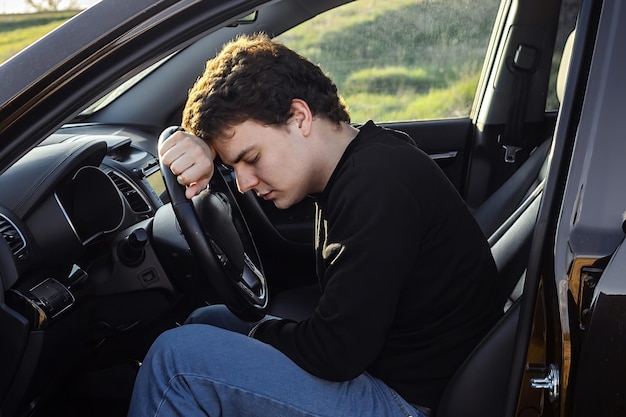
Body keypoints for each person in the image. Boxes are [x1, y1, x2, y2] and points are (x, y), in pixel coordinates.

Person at [127, 33, 505, 417]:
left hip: (407, 402)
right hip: (383, 367)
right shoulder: (369, 158)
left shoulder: (376, 186)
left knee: (175, 364)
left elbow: (336, 352)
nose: (243, 183)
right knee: (207, 321)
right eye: (232, 167)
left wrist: (257, 335)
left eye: (251, 158)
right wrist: (205, 145)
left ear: (300, 117)